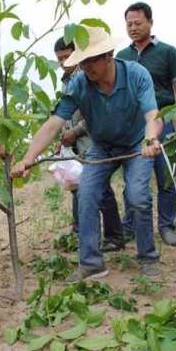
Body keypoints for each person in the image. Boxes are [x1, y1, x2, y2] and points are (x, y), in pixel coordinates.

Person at [12, 26, 163, 281]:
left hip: (138, 143)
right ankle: (91, 264)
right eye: (83, 62)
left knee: (137, 196)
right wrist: (28, 158)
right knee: (87, 194)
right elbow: (54, 123)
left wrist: (151, 138)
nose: (87, 67)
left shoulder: (136, 74)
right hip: (102, 145)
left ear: (109, 55)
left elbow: (152, 114)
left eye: (92, 60)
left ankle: (148, 256)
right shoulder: (80, 83)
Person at [117, 2, 176, 247]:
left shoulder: (168, 52)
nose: (133, 28)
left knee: (166, 176)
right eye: (129, 24)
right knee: (133, 178)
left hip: (166, 121)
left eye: (138, 23)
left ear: (150, 22)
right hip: (135, 127)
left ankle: (167, 226)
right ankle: (129, 225)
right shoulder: (122, 57)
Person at [53, 37, 124, 251]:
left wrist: (74, 132)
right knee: (78, 187)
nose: (64, 62)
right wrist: (63, 137)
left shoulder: (88, 77)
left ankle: (114, 236)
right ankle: (79, 232)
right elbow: (65, 115)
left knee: (100, 188)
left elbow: (97, 112)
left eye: (67, 57)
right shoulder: (66, 81)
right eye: (59, 59)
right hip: (75, 144)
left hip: (91, 141)